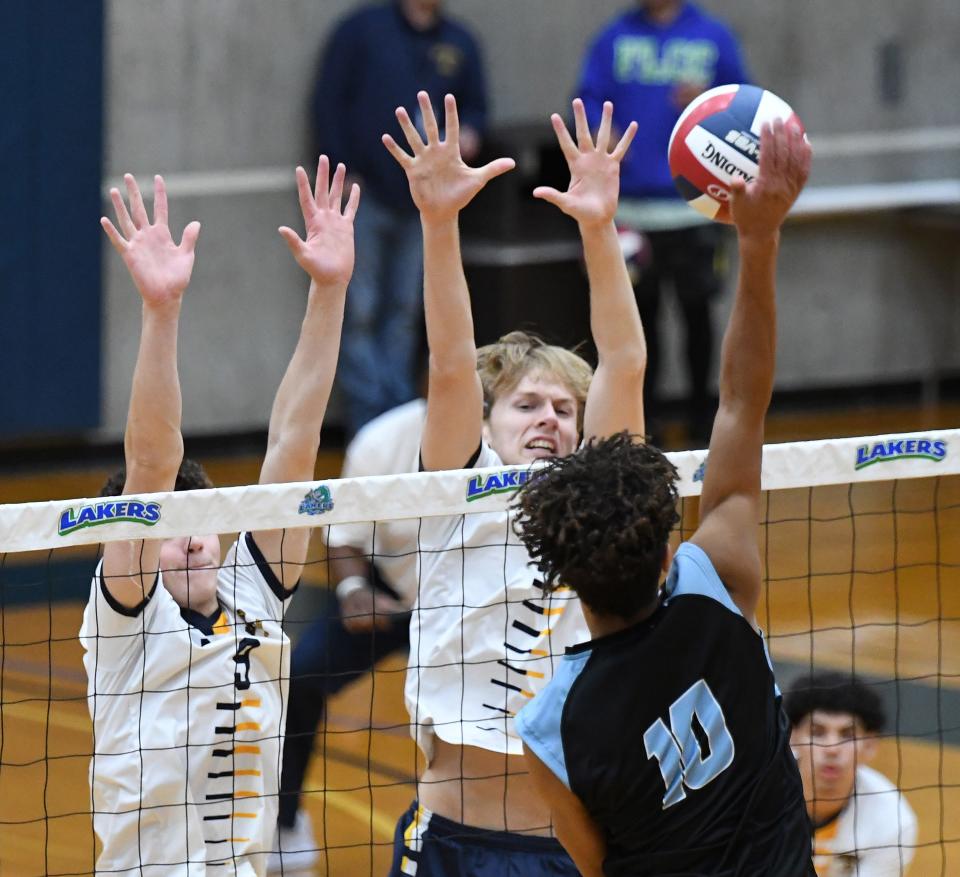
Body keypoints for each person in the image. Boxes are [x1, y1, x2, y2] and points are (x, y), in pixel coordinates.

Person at [513, 119, 814, 876]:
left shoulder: (551, 728)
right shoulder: (715, 584)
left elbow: (596, 863)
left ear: (565, 575)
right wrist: (759, 241)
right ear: (671, 551)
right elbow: (742, 403)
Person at [381, 89, 646, 875]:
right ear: (490, 426)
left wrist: (598, 228)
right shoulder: (460, 483)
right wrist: (438, 222)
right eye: (527, 403)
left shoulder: (603, 502)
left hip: (556, 847)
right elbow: (450, 358)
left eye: (566, 407)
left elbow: (625, 362)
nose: (549, 418)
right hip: (447, 841)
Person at [80, 159, 359, 875]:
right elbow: (149, 462)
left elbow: (295, 441)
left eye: (199, 519)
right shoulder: (126, 624)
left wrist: (329, 290)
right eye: (170, 529)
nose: (195, 539)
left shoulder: (252, 594)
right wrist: (161, 312)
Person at [576, 0, 750, 446]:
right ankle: (641, 426)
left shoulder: (713, 35)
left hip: (694, 207)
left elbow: (743, 109)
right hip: (633, 211)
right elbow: (587, 101)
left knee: (697, 318)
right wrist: (601, 131)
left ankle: (701, 420)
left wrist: (708, 103)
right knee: (638, 323)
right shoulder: (613, 37)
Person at [313, 0, 489, 436]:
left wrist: (469, 134)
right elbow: (328, 102)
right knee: (359, 310)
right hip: (364, 195)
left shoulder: (460, 41)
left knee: (407, 311)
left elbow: (478, 110)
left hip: (425, 203)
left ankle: (396, 417)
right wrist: (342, 175)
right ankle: (368, 419)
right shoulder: (360, 30)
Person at [270, 396, 426, 872]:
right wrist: (355, 589)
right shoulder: (383, 440)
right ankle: (283, 818)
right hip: (388, 594)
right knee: (300, 676)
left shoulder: (512, 439)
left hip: (471, 600)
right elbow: (344, 536)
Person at [785, 672, 918, 876]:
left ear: (870, 745)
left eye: (847, 735)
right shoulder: (752, 793)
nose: (832, 748)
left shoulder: (893, 820)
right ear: (792, 736)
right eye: (817, 732)